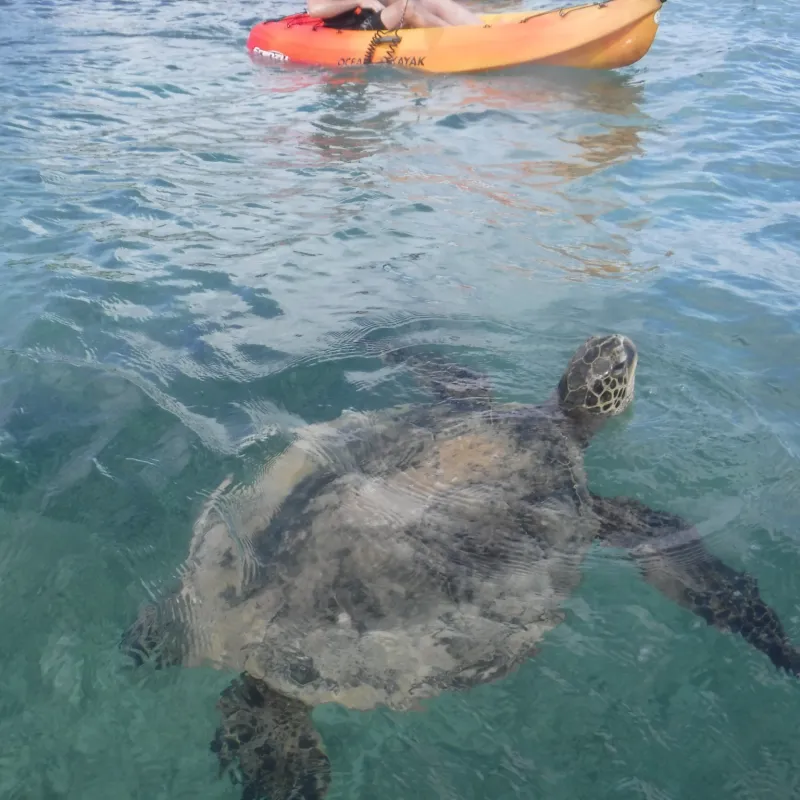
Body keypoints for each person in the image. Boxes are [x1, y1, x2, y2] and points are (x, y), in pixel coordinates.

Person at [308, 0, 481, 30]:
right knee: (407, 8)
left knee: (435, 2)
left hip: (377, 14)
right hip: (352, 26)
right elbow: (315, 10)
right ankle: (458, 40)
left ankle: (482, 30)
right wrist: (358, 1)